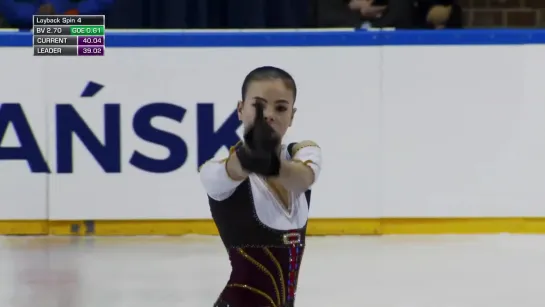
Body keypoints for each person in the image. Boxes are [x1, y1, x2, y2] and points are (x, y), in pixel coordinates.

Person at [199, 66, 322, 307]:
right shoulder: (215, 172)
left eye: (281, 107)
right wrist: (248, 157)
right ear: (240, 109)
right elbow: (231, 170)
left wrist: (269, 161)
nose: (269, 115)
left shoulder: (305, 153)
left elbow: (304, 178)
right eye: (258, 105)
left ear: (292, 115)